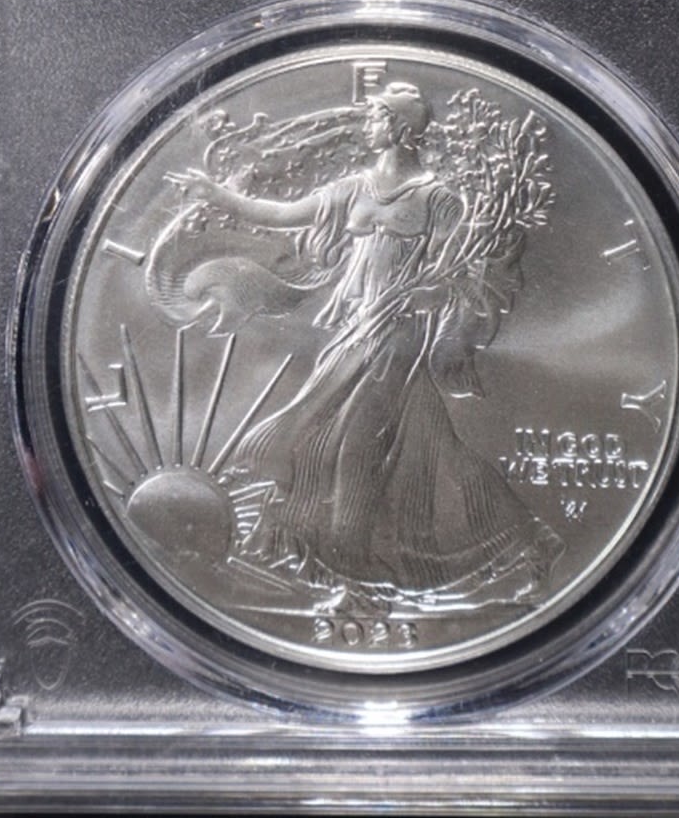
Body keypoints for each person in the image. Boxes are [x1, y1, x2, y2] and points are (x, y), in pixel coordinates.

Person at [159, 82, 563, 606]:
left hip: (398, 334)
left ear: (399, 128)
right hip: (356, 325)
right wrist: (218, 196)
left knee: (348, 440)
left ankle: (347, 565)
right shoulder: (353, 188)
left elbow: (463, 275)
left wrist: (431, 294)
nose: (366, 126)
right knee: (425, 444)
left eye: (375, 118)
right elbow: (281, 214)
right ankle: (524, 541)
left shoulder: (439, 200)